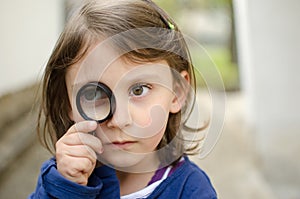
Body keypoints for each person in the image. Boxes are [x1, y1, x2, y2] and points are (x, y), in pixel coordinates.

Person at [29, 0, 217, 198]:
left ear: (176, 92)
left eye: (139, 90)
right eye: (94, 94)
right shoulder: (59, 179)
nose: (119, 120)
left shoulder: (191, 191)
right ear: (67, 103)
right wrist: (66, 189)